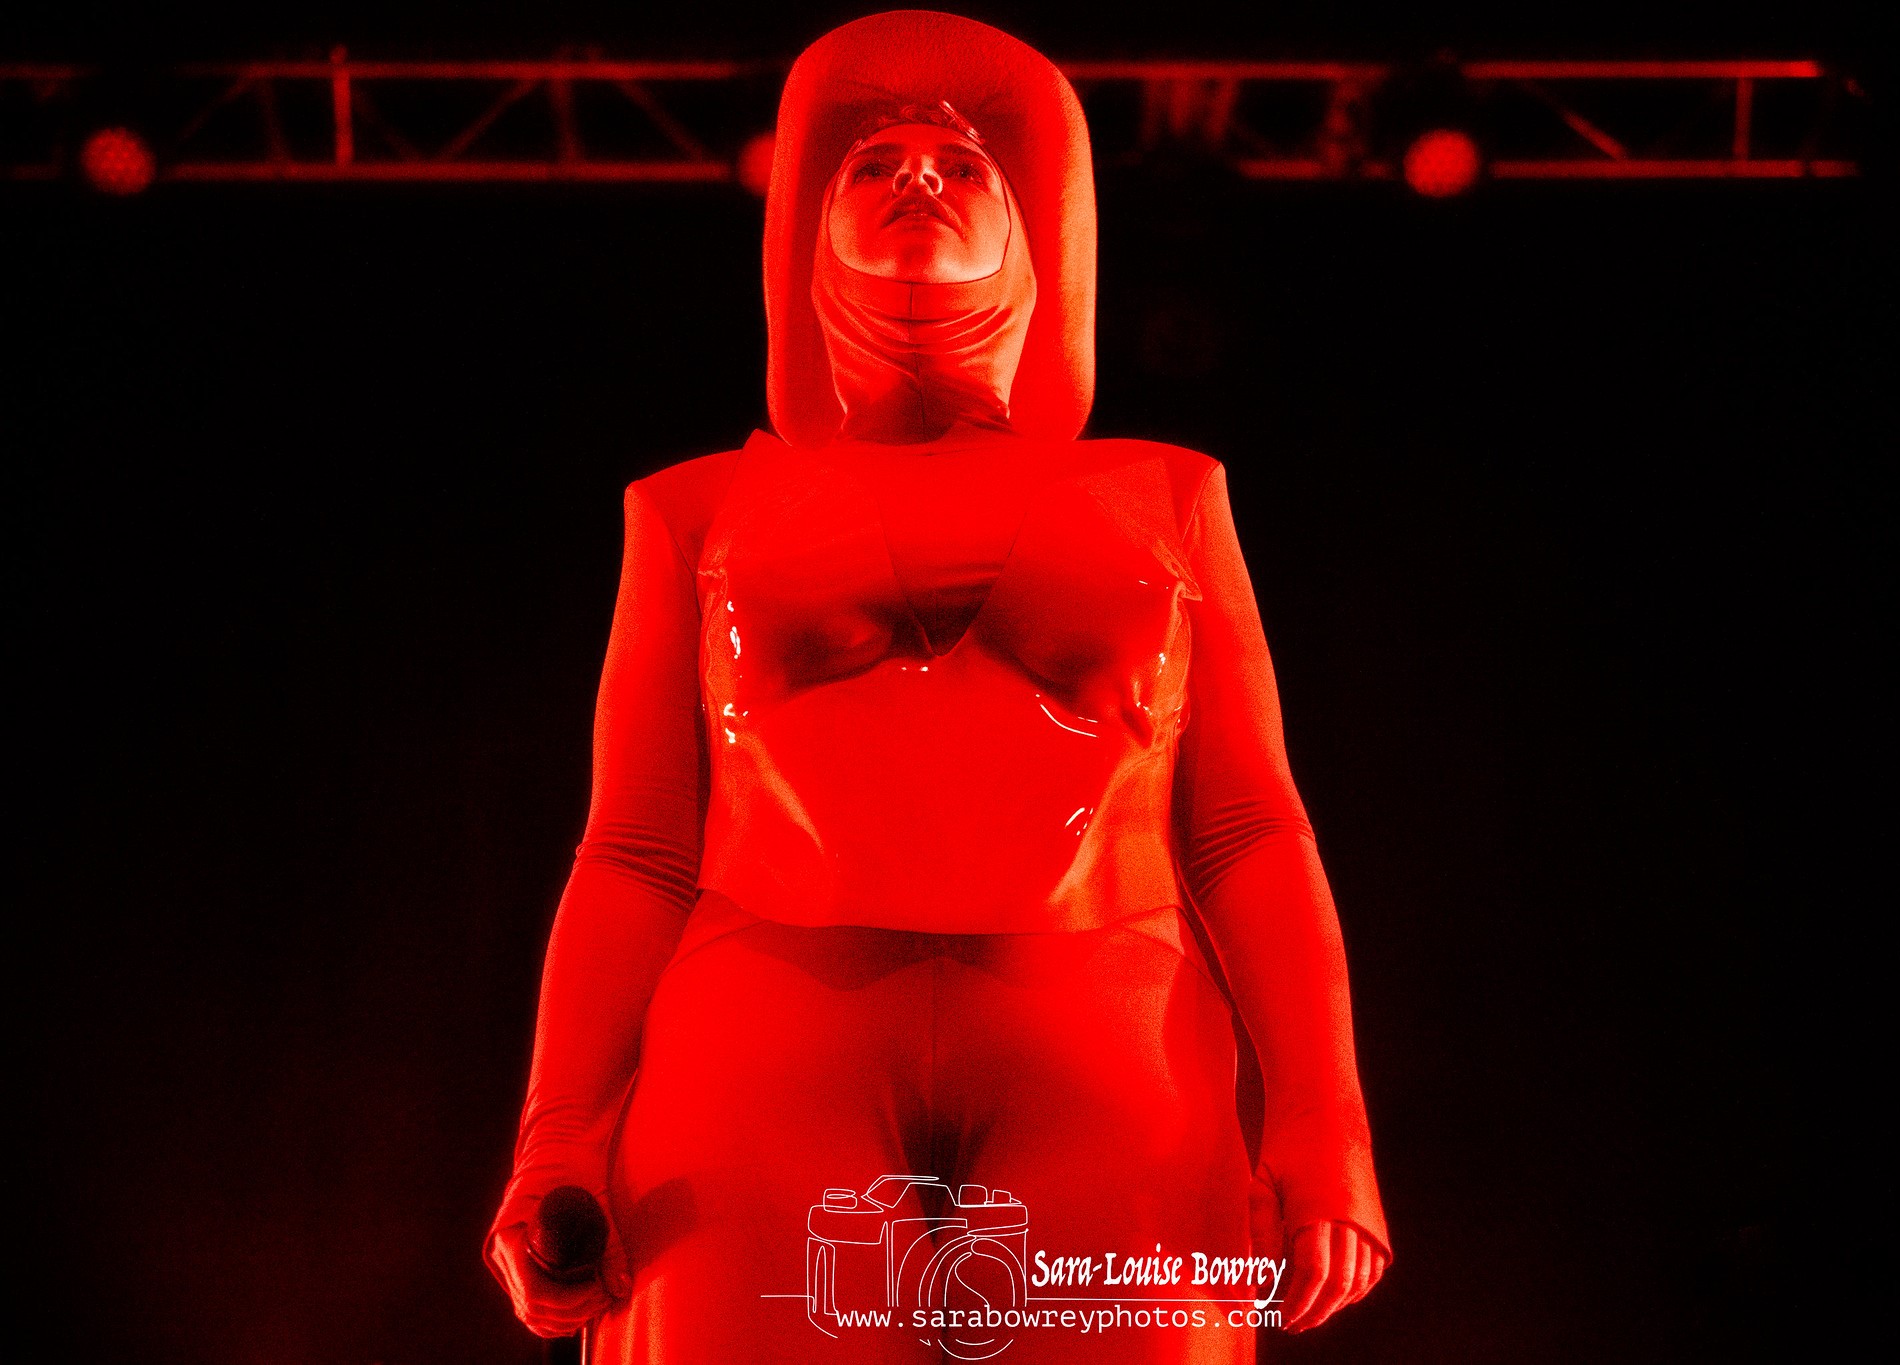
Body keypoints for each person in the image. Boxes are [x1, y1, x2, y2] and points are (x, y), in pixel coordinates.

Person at [485, 12, 1389, 1362]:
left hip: (1110, 1038)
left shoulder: (1169, 495)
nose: (918, 173)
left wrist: (1327, 1121)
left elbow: (1249, 826)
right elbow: (634, 848)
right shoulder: (692, 511)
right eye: (872, 164)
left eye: (965, 166)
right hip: (764, 1040)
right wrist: (554, 1136)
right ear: (805, 237)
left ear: (1038, 235)